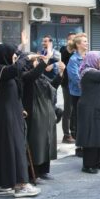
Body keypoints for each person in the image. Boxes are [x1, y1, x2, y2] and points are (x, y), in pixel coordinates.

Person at [0, 44, 40, 198]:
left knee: (3, 149)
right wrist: (26, 57)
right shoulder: (0, 70)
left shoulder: (3, 71)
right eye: (12, 54)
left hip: (7, 114)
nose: (14, 57)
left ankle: (0, 183)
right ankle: (20, 184)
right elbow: (16, 68)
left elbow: (18, 77)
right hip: (6, 117)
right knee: (14, 147)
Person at [23, 52, 63, 181]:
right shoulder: (27, 76)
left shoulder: (41, 76)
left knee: (47, 143)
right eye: (35, 61)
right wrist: (44, 62)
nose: (37, 62)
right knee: (36, 144)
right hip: (35, 114)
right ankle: (34, 172)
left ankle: (44, 170)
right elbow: (32, 75)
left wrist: (61, 73)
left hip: (47, 114)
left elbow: (53, 85)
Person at [67, 33, 89, 155]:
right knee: (79, 120)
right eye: (85, 41)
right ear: (78, 44)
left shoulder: (88, 56)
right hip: (78, 93)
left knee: (87, 120)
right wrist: (88, 84)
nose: (87, 43)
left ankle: (86, 144)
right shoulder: (73, 59)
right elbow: (75, 78)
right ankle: (79, 147)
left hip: (88, 92)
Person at [60, 32, 76, 144]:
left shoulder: (77, 52)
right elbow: (66, 53)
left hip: (76, 83)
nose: (73, 42)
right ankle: (66, 134)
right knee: (68, 109)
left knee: (75, 109)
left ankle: (74, 132)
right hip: (67, 83)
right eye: (71, 40)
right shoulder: (63, 49)